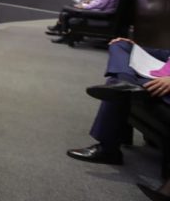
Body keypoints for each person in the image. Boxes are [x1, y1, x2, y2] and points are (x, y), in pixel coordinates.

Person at [66, 37, 170, 165]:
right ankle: (125, 82)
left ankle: (108, 149)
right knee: (120, 44)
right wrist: (137, 49)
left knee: (114, 85)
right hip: (162, 70)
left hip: (165, 83)